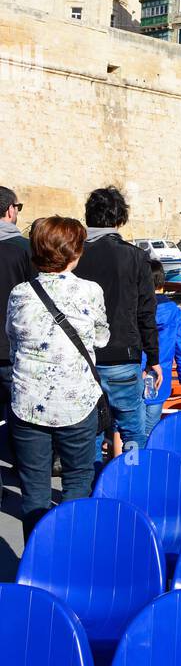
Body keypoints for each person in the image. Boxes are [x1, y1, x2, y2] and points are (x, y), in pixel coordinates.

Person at [6, 216, 110, 540]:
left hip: (27, 402)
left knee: (34, 491)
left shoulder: (20, 293)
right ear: (74, 253)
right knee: (78, 481)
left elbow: (13, 340)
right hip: (76, 401)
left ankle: (37, 561)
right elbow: (102, 338)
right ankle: (71, 553)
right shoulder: (90, 291)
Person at [73, 187, 160, 470]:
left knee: (92, 431)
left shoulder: (75, 256)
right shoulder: (135, 257)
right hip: (124, 355)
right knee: (133, 430)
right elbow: (146, 313)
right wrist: (154, 359)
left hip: (84, 358)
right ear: (120, 218)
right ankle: (131, 479)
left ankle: (95, 482)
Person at [0, 185, 33, 495]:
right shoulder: (24, 250)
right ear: (10, 210)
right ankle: (23, 470)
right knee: (20, 415)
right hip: (14, 350)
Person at [142, 262, 181, 438]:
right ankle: (142, 461)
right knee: (150, 428)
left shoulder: (132, 309)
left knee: (126, 426)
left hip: (133, 374)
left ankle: (126, 461)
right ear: (162, 283)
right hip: (160, 378)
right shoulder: (175, 313)